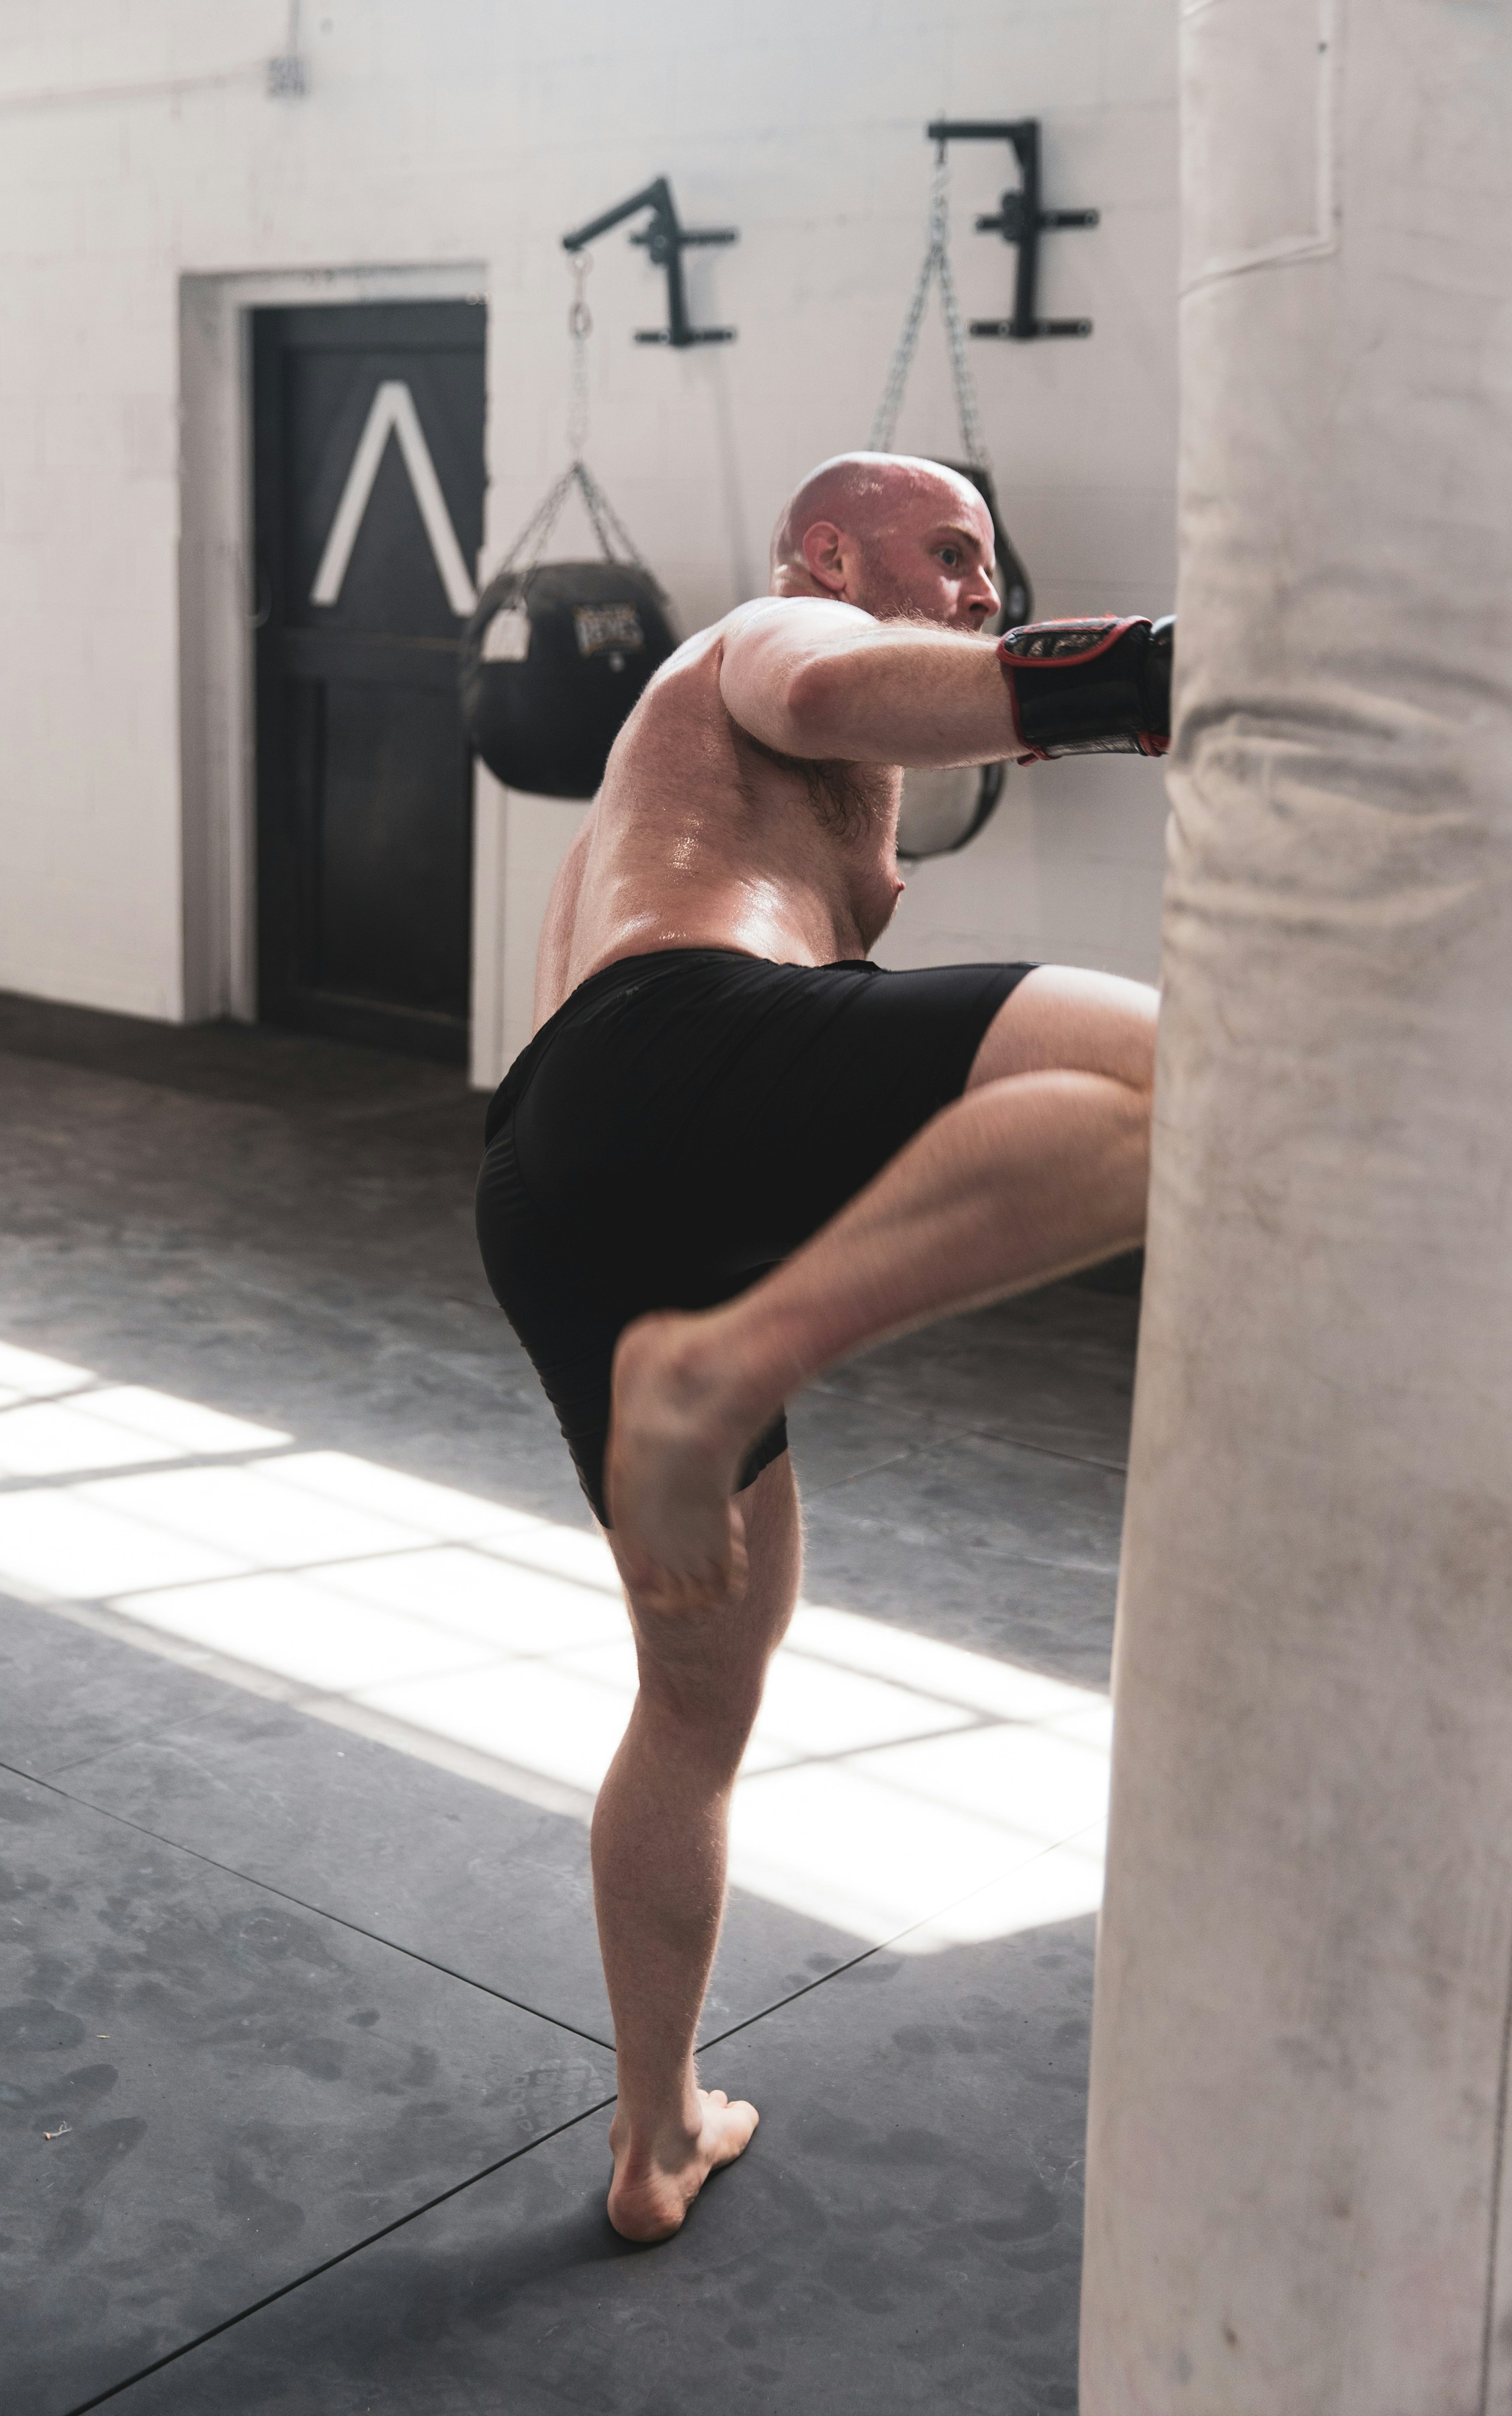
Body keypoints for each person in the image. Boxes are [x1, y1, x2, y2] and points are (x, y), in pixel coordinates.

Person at [476, 452, 1165, 2242]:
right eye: (949, 556)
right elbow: (836, 683)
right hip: (679, 1045)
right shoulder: (767, 631)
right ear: (830, 549)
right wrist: (1156, 681)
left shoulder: (731, 797)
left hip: (569, 1181)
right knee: (1202, 1084)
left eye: (990, 570)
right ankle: (718, 1366)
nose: (975, 593)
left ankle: (652, 2141)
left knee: (699, 1699)